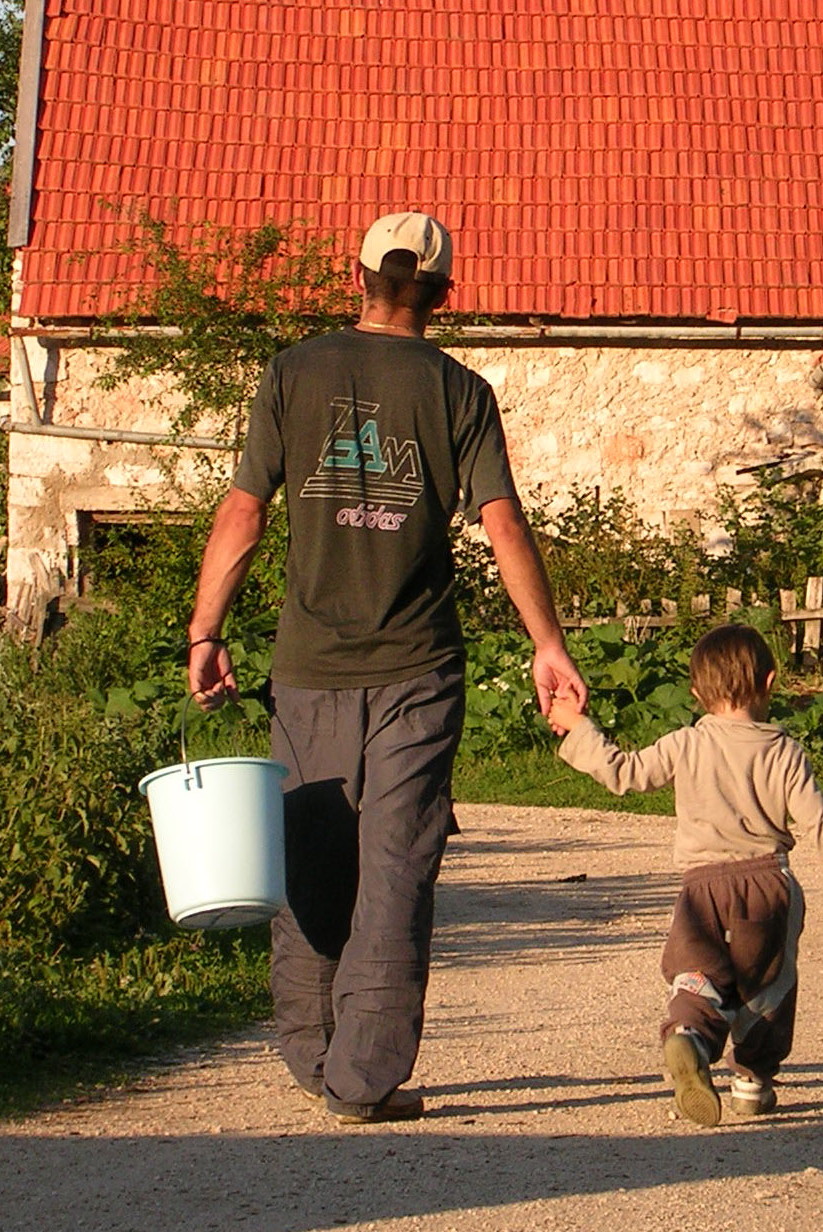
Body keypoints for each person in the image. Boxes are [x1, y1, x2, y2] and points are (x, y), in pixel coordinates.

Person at [186, 211, 586, 1125]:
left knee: (315, 858)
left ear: (355, 276)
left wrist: (205, 631)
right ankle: (363, 1079)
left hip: (306, 667)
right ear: (445, 292)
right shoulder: (460, 392)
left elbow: (243, 514)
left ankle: (310, 1050)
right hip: (418, 668)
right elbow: (503, 525)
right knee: (398, 862)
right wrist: (547, 644)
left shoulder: (293, 372)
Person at [547, 623, 823, 1126]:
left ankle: (688, 1038)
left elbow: (626, 772)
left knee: (698, 974)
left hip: (701, 887)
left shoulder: (686, 743)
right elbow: (818, 821)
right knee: (767, 985)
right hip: (768, 883)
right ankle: (752, 1080)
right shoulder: (783, 750)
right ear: (770, 683)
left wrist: (578, 726)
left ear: (698, 694)